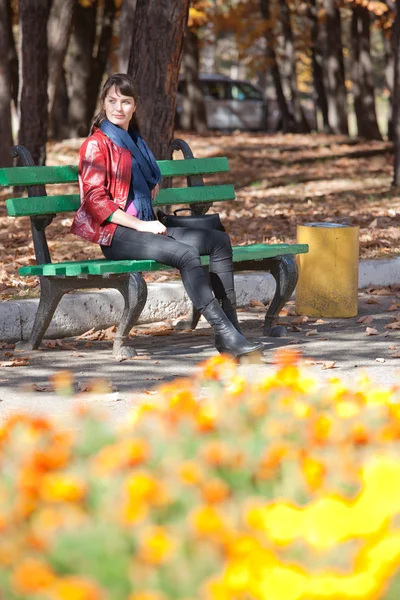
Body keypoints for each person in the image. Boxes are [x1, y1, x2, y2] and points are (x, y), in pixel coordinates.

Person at [71, 73, 263, 358]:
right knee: (186, 254)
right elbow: (95, 202)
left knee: (218, 241)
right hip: (118, 234)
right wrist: (141, 225)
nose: (118, 107)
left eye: (125, 101)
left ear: (135, 106)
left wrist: (148, 190)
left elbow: (145, 181)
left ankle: (232, 333)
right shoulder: (96, 145)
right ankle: (224, 333)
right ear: (103, 102)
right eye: (112, 100)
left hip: (147, 227)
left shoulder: (135, 142)